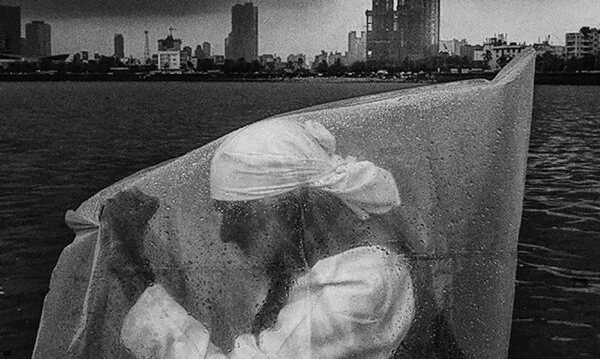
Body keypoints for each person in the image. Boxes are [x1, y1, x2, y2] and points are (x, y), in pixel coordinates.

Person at [108, 119, 458, 358]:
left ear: (290, 207)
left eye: (234, 213)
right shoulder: (340, 260)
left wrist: (134, 272)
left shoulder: (360, 287)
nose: (225, 233)